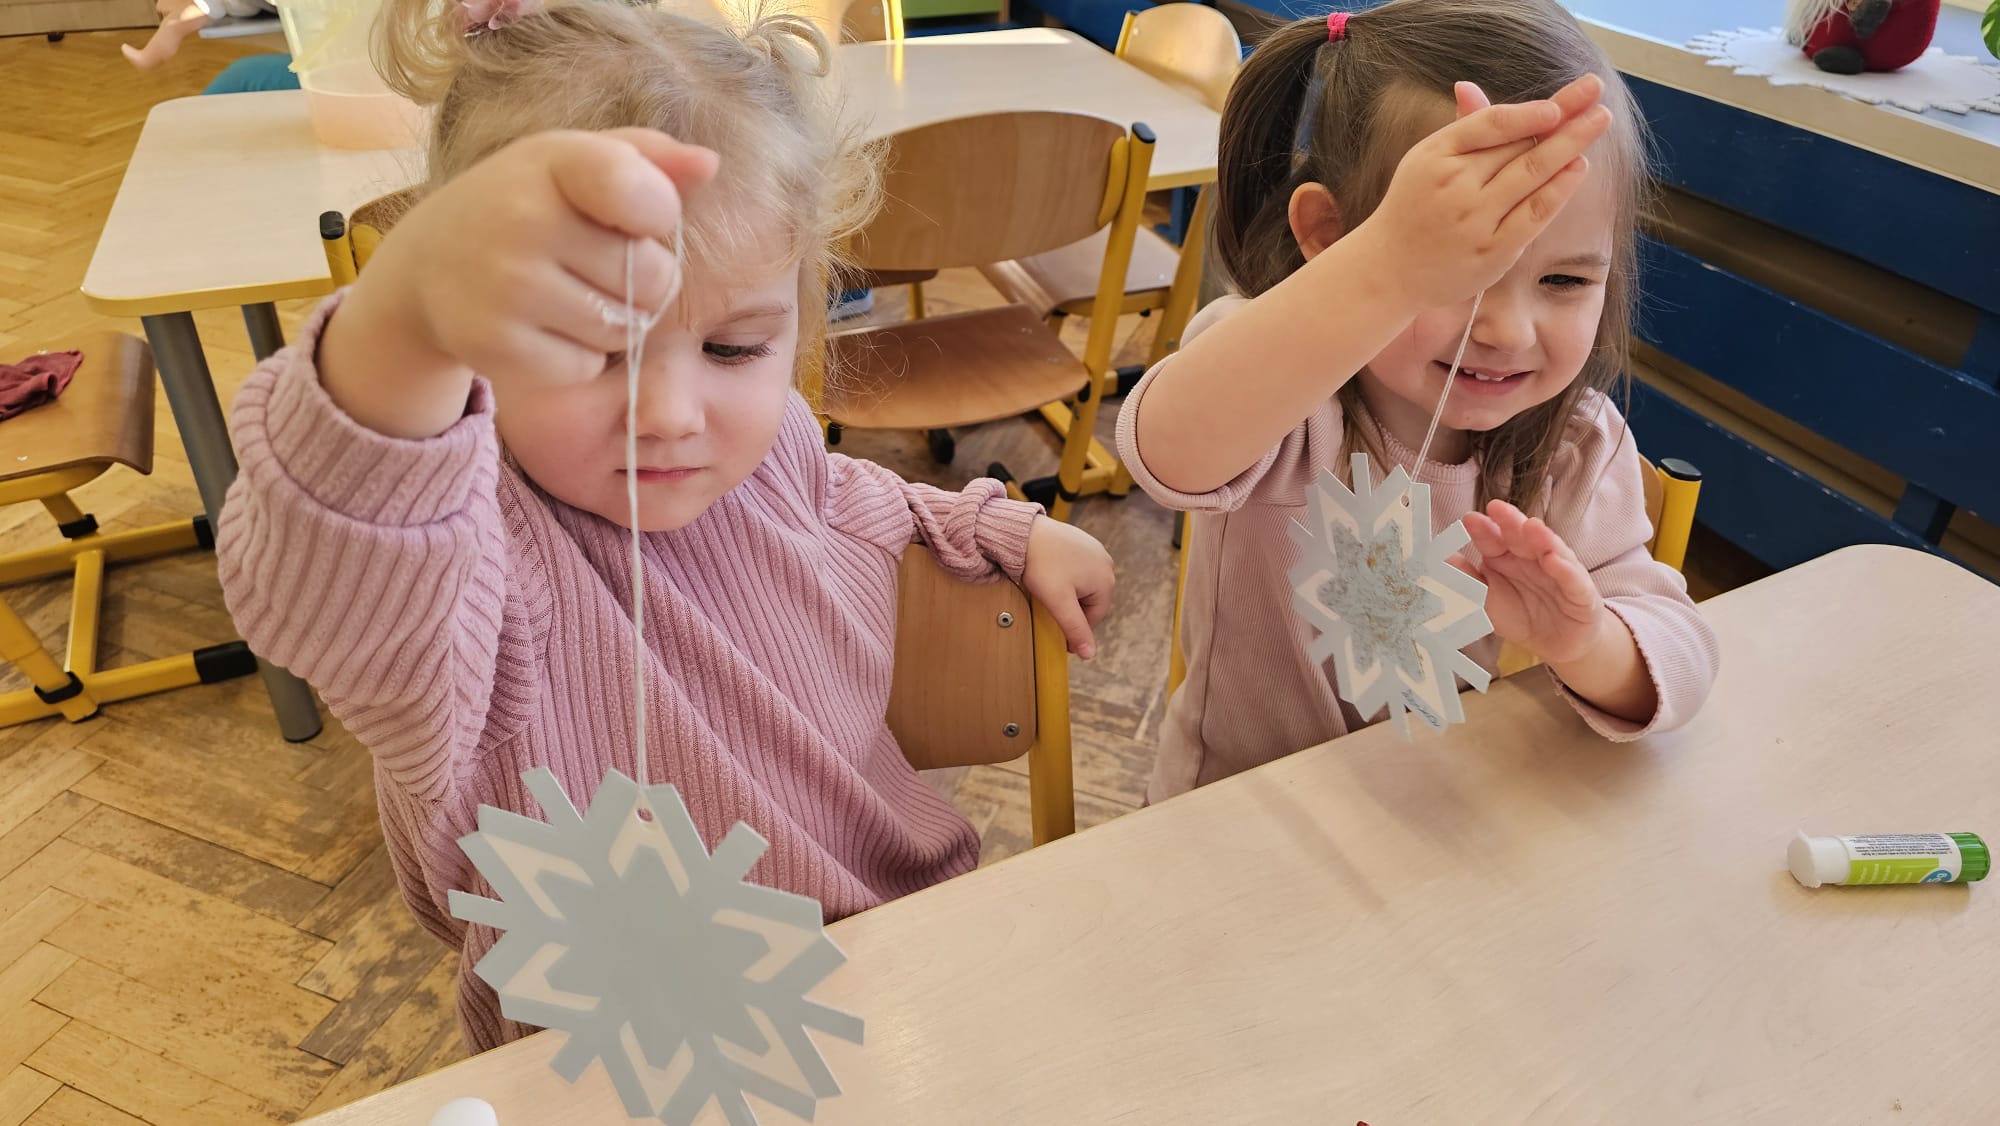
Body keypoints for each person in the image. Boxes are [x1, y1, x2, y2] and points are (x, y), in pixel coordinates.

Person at [216, 0, 1115, 1050]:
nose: (672, 415)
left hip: (894, 946)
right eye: (596, 351)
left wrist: (994, 529)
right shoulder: (471, 560)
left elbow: (834, 497)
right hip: (628, 1049)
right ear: (477, 329)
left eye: (733, 349)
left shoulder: (768, 440)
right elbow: (339, 572)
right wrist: (401, 326)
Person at [1117, 0, 1718, 801]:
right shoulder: (1284, 381)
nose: (1506, 331)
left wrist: (1590, 642)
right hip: (1235, 814)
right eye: (1460, 274)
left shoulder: (1576, 446)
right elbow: (1166, 451)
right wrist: (1386, 269)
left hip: (1430, 819)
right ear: (1334, 238)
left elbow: (1684, 654)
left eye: (1564, 279)